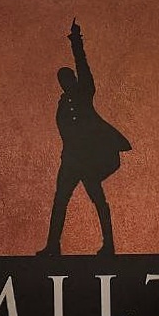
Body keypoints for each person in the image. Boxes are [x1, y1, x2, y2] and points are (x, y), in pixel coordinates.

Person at [36, 19, 132, 256]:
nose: (66, 82)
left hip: (88, 159)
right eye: (63, 80)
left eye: (69, 78)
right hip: (70, 160)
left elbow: (82, 64)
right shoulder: (62, 104)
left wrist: (76, 40)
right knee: (60, 201)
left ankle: (109, 244)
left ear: (74, 79)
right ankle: (53, 246)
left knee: (98, 200)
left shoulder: (84, 92)